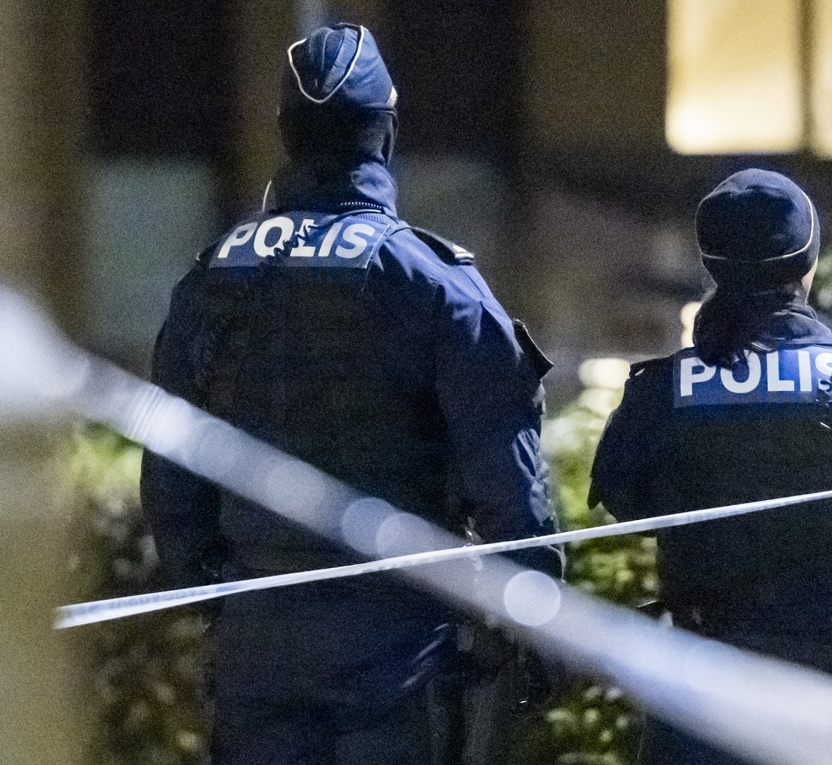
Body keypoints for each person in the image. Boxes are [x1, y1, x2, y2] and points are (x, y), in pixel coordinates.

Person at [140, 23, 560, 765]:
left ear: (286, 134)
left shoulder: (213, 278)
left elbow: (172, 470)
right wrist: (536, 619)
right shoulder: (432, 280)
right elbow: (506, 475)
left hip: (258, 643)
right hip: (399, 643)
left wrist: (219, 594)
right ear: (385, 134)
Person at [589, 169, 832, 765]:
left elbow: (628, 500)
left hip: (697, 697)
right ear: (807, 266)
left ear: (712, 266)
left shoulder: (661, 391)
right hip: (827, 694)